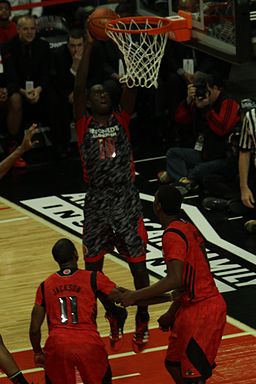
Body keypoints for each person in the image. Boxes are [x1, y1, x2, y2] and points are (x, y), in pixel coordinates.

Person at [73, 29, 150, 353]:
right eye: (96, 93)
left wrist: (126, 46)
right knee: (93, 269)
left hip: (125, 198)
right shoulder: (82, 123)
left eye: (105, 91)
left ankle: (142, 318)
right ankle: (111, 314)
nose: (102, 94)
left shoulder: (122, 117)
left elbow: (130, 86)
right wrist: (90, 46)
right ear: (88, 101)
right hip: (97, 200)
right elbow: (78, 86)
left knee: (138, 264)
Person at [118, 184, 227, 384]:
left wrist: (134, 296)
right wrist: (172, 311)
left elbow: (175, 279)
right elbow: (189, 278)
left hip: (204, 310)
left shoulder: (172, 235)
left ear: (157, 206)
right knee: (173, 364)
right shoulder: (188, 227)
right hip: (192, 306)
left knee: (193, 377)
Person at [29, 238, 118, 384]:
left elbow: (34, 329)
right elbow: (121, 297)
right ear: (76, 254)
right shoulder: (93, 277)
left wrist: (38, 352)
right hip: (89, 343)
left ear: (56, 259)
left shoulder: (45, 286)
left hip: (58, 345)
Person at [158, 72, 240, 195]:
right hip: (204, 153)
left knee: (197, 170)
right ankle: (186, 181)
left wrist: (207, 109)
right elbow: (180, 119)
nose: (203, 93)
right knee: (173, 153)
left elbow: (222, 129)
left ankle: (178, 176)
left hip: (223, 158)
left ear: (216, 88)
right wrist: (188, 101)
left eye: (207, 90)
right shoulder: (199, 102)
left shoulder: (228, 103)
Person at [2, 15, 51, 167]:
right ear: (18, 30)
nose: (30, 32)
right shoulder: (7, 47)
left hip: (38, 89)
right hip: (18, 89)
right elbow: (10, 77)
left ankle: (60, 143)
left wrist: (38, 89)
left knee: (55, 96)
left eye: (32, 28)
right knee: (15, 99)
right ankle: (13, 144)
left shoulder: (43, 46)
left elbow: (46, 73)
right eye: (25, 29)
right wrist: (25, 92)